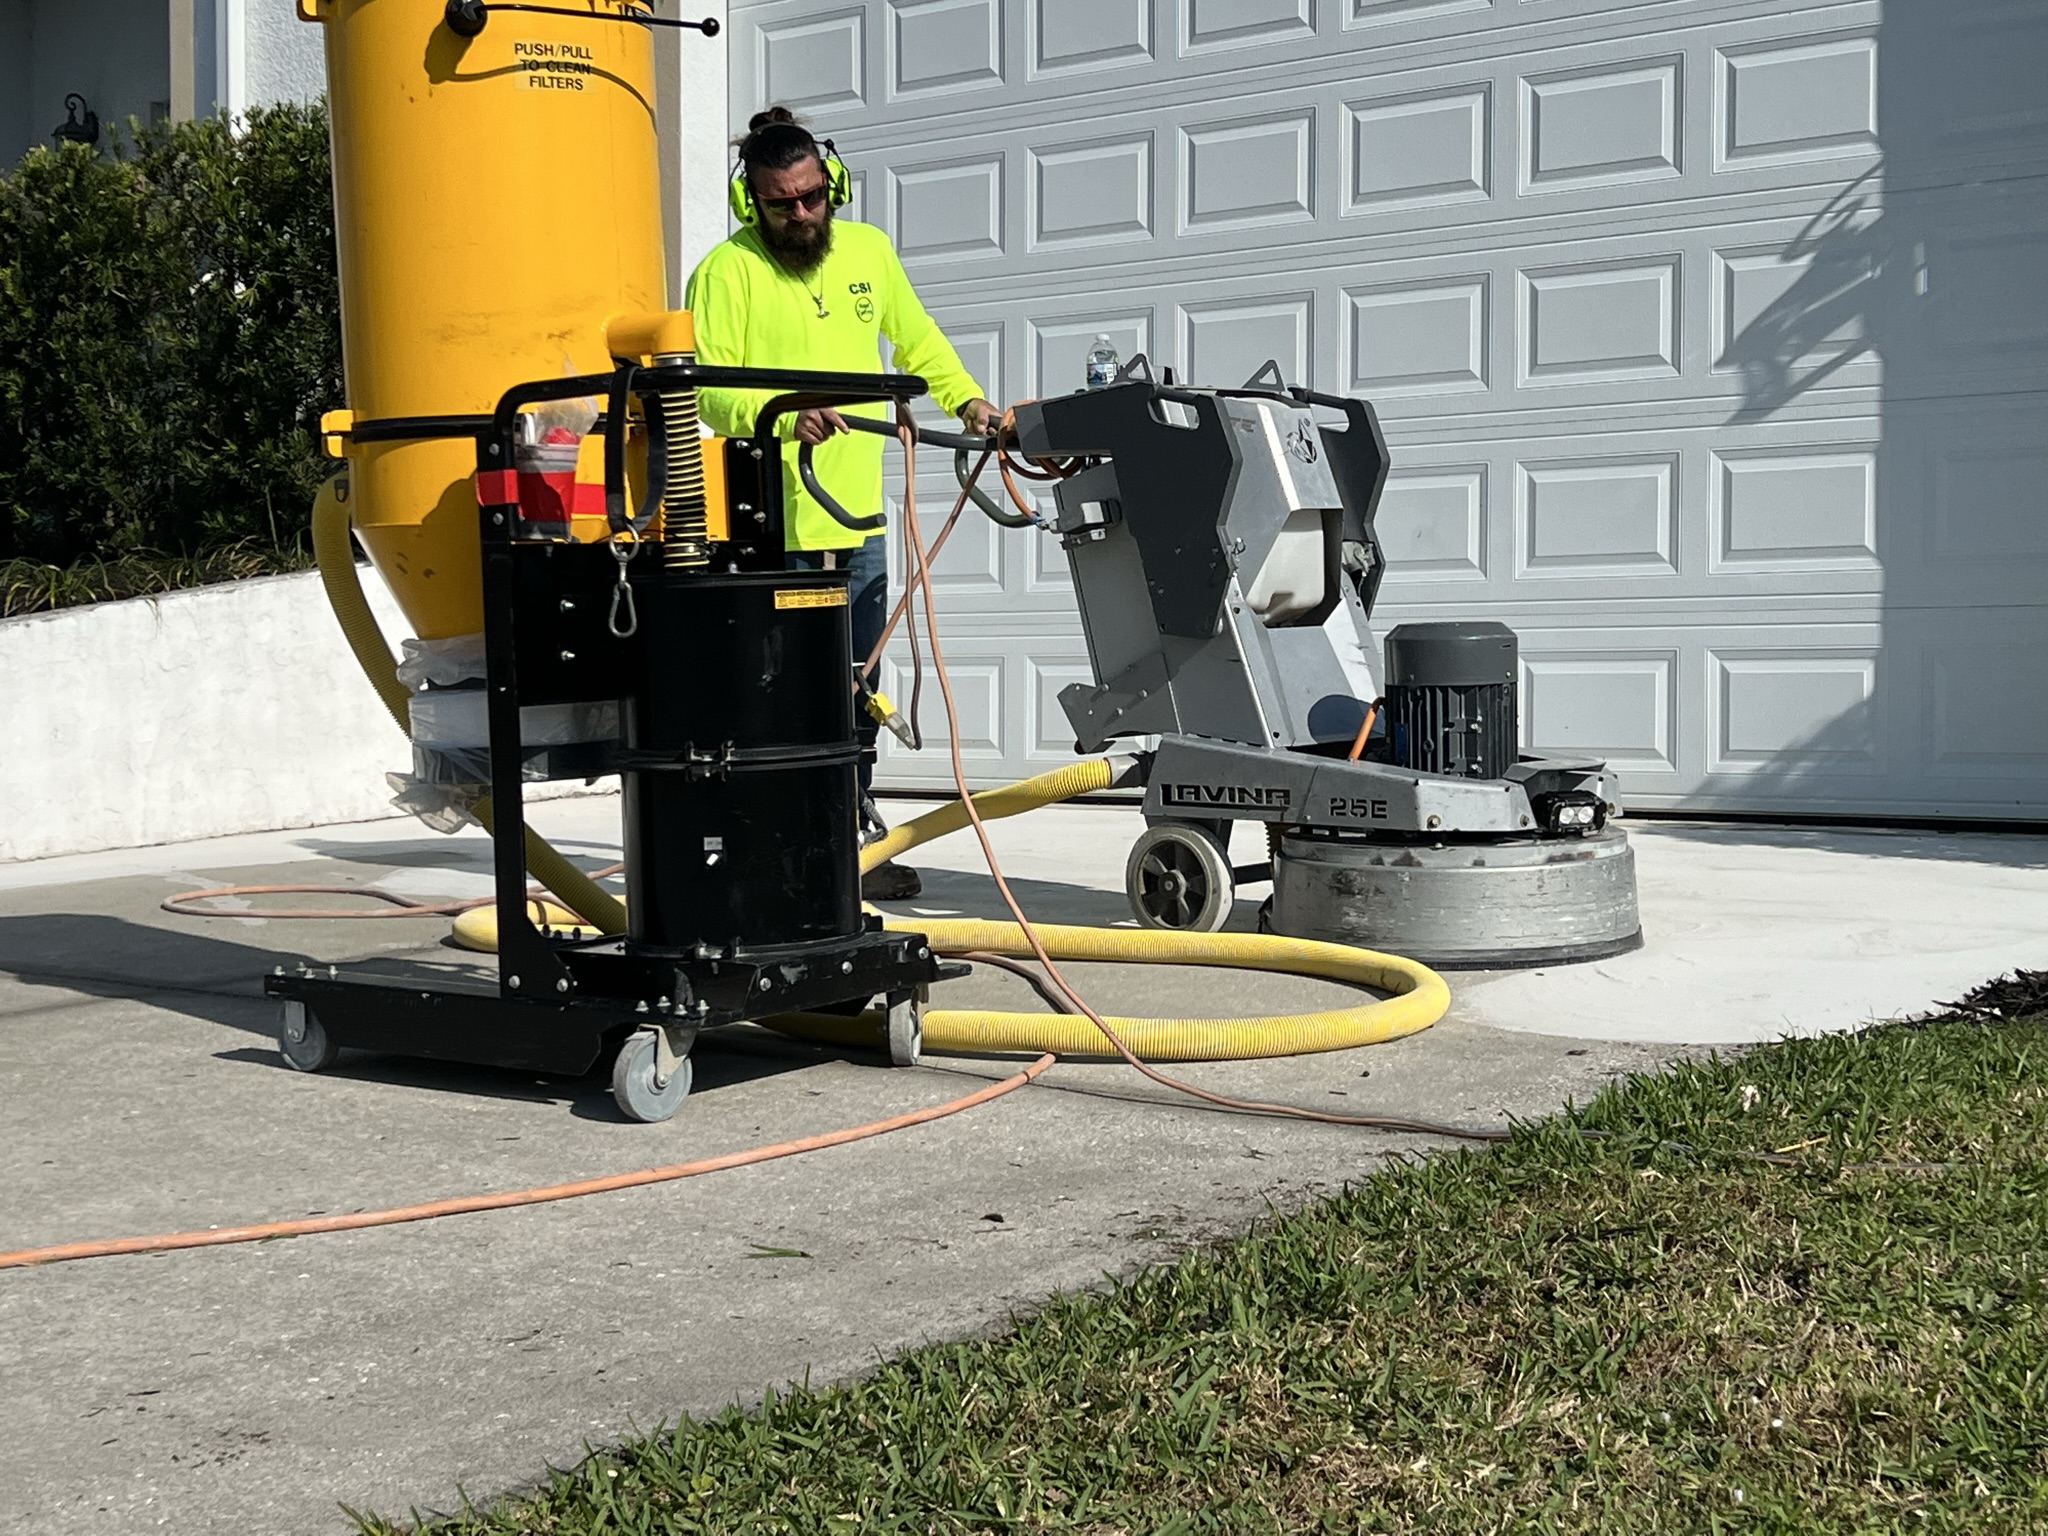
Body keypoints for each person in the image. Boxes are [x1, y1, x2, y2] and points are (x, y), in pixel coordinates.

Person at [688, 107, 997, 903]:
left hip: (857, 517)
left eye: (813, 198)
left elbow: (917, 339)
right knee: (786, 693)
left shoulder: (867, 253)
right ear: (749, 202)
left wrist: (970, 405)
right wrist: (785, 416)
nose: (802, 215)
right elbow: (711, 392)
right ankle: (783, 850)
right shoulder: (728, 272)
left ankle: (848, 839)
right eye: (783, 203)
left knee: (856, 687)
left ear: (834, 187)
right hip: (777, 527)